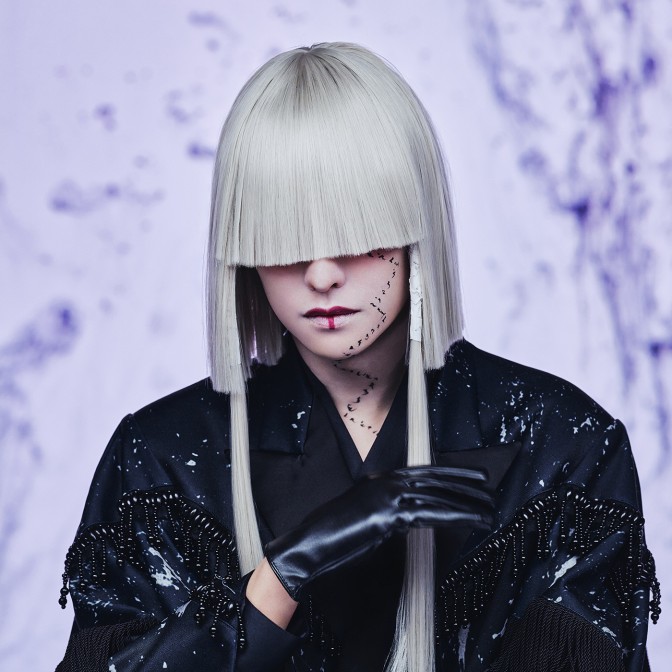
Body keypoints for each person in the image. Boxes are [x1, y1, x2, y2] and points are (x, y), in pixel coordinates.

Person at [56, 43, 660, 672]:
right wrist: (286, 571)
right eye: (284, 239)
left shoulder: (562, 444)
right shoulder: (161, 457)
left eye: (356, 235)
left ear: (415, 227)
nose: (321, 276)